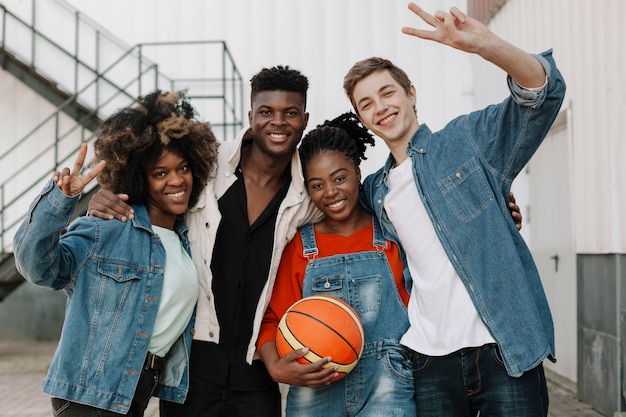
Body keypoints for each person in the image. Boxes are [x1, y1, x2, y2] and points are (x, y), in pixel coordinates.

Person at [86, 67, 523, 416]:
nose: (278, 122)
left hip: (260, 371)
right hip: (194, 362)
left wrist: (485, 203)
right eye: (266, 111)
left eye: (290, 113)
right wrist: (103, 197)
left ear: (305, 118)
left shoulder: (310, 192)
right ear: (251, 113)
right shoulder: (206, 170)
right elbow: (160, 190)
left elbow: (386, 202)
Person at [342, 3, 566, 416]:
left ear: (411, 94)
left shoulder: (468, 140)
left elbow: (543, 94)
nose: (381, 108)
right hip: (430, 359)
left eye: (387, 92)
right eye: (366, 104)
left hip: (503, 349)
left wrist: (485, 44)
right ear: (364, 119)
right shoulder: (376, 191)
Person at [13, 90, 219, 416]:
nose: (176, 180)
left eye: (182, 167)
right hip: (92, 392)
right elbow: (36, 267)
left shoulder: (186, 238)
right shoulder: (107, 229)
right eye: (160, 173)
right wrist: (60, 201)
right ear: (139, 176)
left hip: (137, 389)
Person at [257, 112, 415, 416]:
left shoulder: (392, 236)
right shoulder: (301, 248)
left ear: (357, 173)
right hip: (314, 391)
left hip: (386, 385)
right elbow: (273, 319)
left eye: (339, 178)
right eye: (317, 185)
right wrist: (276, 367)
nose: (330, 192)